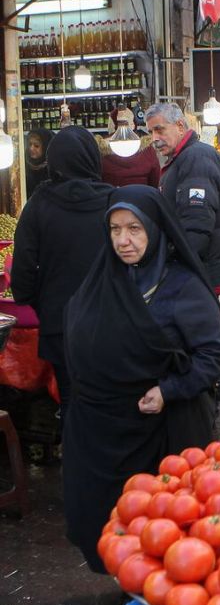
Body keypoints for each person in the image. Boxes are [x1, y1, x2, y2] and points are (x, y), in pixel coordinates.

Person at [63, 185, 220, 573]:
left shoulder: (181, 287)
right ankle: (125, 580)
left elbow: (214, 354)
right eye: (115, 229)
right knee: (103, 513)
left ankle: (151, 591)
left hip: (162, 427)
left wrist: (168, 390)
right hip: (103, 424)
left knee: (160, 519)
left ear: (155, 229)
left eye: (135, 229)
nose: (124, 240)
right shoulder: (102, 279)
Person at [12, 127, 114, 417]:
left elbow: (22, 271)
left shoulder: (38, 205)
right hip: (108, 322)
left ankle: (76, 459)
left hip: (60, 323)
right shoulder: (113, 202)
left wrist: (41, 304)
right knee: (108, 399)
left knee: (71, 401)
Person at [146, 102, 220, 287]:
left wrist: (180, 268)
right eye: (151, 132)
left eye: (159, 130)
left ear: (180, 126)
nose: (154, 138)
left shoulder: (196, 157)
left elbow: (197, 221)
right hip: (202, 271)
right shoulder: (183, 159)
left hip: (205, 274)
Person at [97, 131, 161, 188]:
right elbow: (155, 183)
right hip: (143, 198)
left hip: (111, 199)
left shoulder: (98, 152)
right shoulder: (148, 151)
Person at [24, 128, 54, 198]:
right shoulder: (23, 163)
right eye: (30, 144)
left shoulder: (53, 167)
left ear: (46, 147)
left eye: (36, 146)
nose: (31, 148)